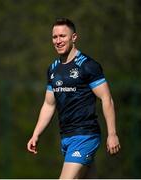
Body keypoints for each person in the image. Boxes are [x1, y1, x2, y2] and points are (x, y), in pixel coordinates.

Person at [27, 18, 121, 179]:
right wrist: (36, 134)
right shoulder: (53, 69)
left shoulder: (88, 66)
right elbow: (49, 105)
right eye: (54, 37)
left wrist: (112, 134)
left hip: (85, 135)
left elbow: (106, 99)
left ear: (74, 37)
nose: (58, 41)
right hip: (66, 137)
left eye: (62, 36)